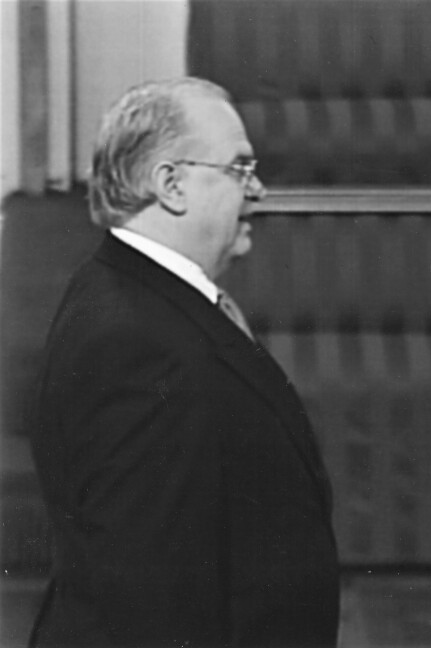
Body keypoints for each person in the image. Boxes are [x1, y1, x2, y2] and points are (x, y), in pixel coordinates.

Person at [29, 77, 339, 647]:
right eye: (240, 170)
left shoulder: (129, 293)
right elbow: (152, 604)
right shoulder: (141, 346)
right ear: (170, 184)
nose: (260, 190)